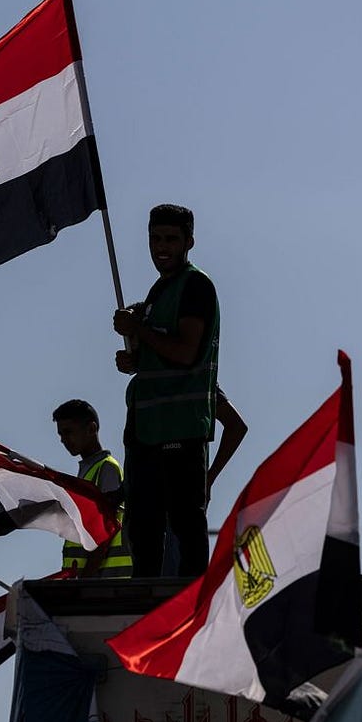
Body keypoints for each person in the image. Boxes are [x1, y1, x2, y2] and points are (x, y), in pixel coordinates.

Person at [113, 203, 235, 578]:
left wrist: (141, 332)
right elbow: (159, 355)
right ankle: (145, 609)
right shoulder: (158, 292)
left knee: (185, 532)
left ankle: (190, 613)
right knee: (144, 532)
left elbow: (185, 352)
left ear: (188, 242)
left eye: (170, 239)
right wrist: (134, 357)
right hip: (147, 433)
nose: (161, 246)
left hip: (181, 431)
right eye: (155, 238)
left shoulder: (195, 285)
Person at [53, 399, 132, 578]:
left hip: (106, 581)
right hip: (89, 580)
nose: (64, 440)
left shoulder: (106, 468)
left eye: (68, 432)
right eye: (60, 435)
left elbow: (106, 528)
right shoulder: (87, 472)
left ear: (91, 429)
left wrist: (86, 578)